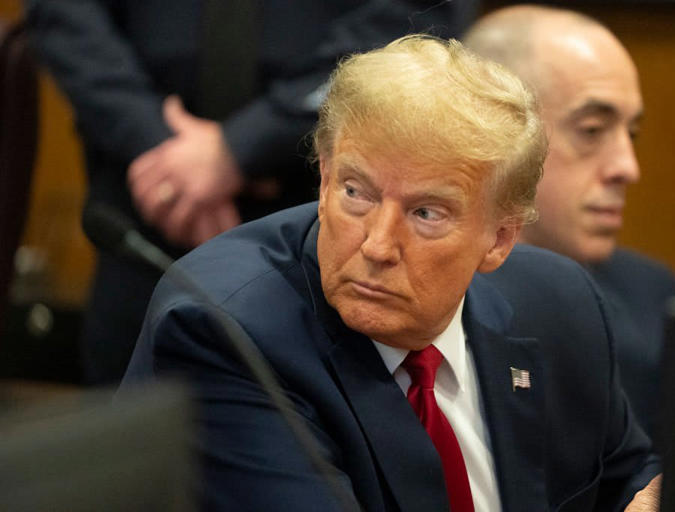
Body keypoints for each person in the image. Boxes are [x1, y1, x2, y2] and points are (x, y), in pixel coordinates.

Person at [122, 35, 660, 511]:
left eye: (427, 213)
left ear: (499, 239)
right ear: (325, 179)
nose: (377, 246)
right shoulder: (227, 332)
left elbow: (632, 479)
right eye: (357, 193)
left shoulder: (559, 303)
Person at [25, 0, 477, 385]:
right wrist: (154, 142)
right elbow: (66, 14)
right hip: (143, 202)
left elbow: (417, 14)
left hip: (330, 206)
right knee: (132, 451)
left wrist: (245, 145)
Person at [464, 5, 675, 445]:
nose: (627, 167)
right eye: (591, 130)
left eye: (631, 134)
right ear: (494, 132)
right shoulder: (425, 305)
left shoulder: (653, 293)